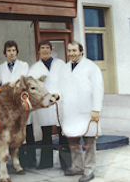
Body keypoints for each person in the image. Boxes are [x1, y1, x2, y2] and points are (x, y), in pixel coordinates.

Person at [0, 40, 35, 167]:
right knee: (9, 132)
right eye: (9, 51)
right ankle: (11, 160)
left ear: (17, 52)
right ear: (5, 53)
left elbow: (28, 83)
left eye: (13, 50)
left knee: (24, 131)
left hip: (21, 102)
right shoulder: (1, 68)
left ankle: (28, 160)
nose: (11, 53)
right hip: (7, 107)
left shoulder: (24, 65)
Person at [61, 41, 104, 182]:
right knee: (73, 140)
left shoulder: (91, 67)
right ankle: (77, 166)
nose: (72, 53)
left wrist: (96, 109)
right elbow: (62, 87)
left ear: (81, 51)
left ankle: (89, 169)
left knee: (89, 140)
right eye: (69, 51)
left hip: (87, 110)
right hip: (71, 112)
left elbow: (98, 89)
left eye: (74, 50)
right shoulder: (66, 67)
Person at [28, 40, 71, 170]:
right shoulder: (34, 68)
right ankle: (46, 162)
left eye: (47, 48)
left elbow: (67, 82)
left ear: (51, 50)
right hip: (44, 104)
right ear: (39, 51)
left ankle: (66, 163)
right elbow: (31, 87)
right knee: (46, 133)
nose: (45, 50)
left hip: (59, 102)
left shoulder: (61, 64)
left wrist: (59, 94)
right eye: (42, 48)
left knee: (62, 133)